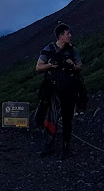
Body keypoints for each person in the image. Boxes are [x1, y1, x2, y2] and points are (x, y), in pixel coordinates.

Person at [35, 21, 83, 159]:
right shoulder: (49, 49)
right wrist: (51, 65)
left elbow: (80, 67)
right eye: (68, 33)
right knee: (51, 116)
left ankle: (66, 147)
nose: (70, 35)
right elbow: (38, 67)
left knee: (67, 117)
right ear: (61, 36)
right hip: (53, 88)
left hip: (70, 87)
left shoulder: (73, 49)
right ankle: (50, 145)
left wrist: (72, 66)